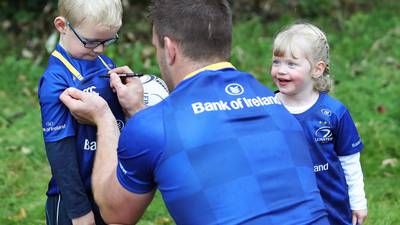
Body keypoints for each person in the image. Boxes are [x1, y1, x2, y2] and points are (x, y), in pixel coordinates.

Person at [60, 1, 329, 224]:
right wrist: (138, 111)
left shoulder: (153, 126)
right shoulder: (279, 108)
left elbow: (115, 214)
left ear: (171, 49)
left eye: (157, 48)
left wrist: (104, 119)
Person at [270, 22, 368, 225]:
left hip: (330, 204)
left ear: (317, 69)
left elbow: (350, 161)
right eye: (276, 62)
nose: (280, 70)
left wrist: (358, 202)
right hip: (285, 204)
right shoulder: (267, 109)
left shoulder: (334, 113)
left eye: (291, 64)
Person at [37, 0, 124, 224]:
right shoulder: (56, 81)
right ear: (62, 26)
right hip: (72, 199)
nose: (101, 50)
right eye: (92, 42)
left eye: (108, 41)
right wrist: (78, 211)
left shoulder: (105, 63)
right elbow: (59, 152)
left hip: (107, 189)